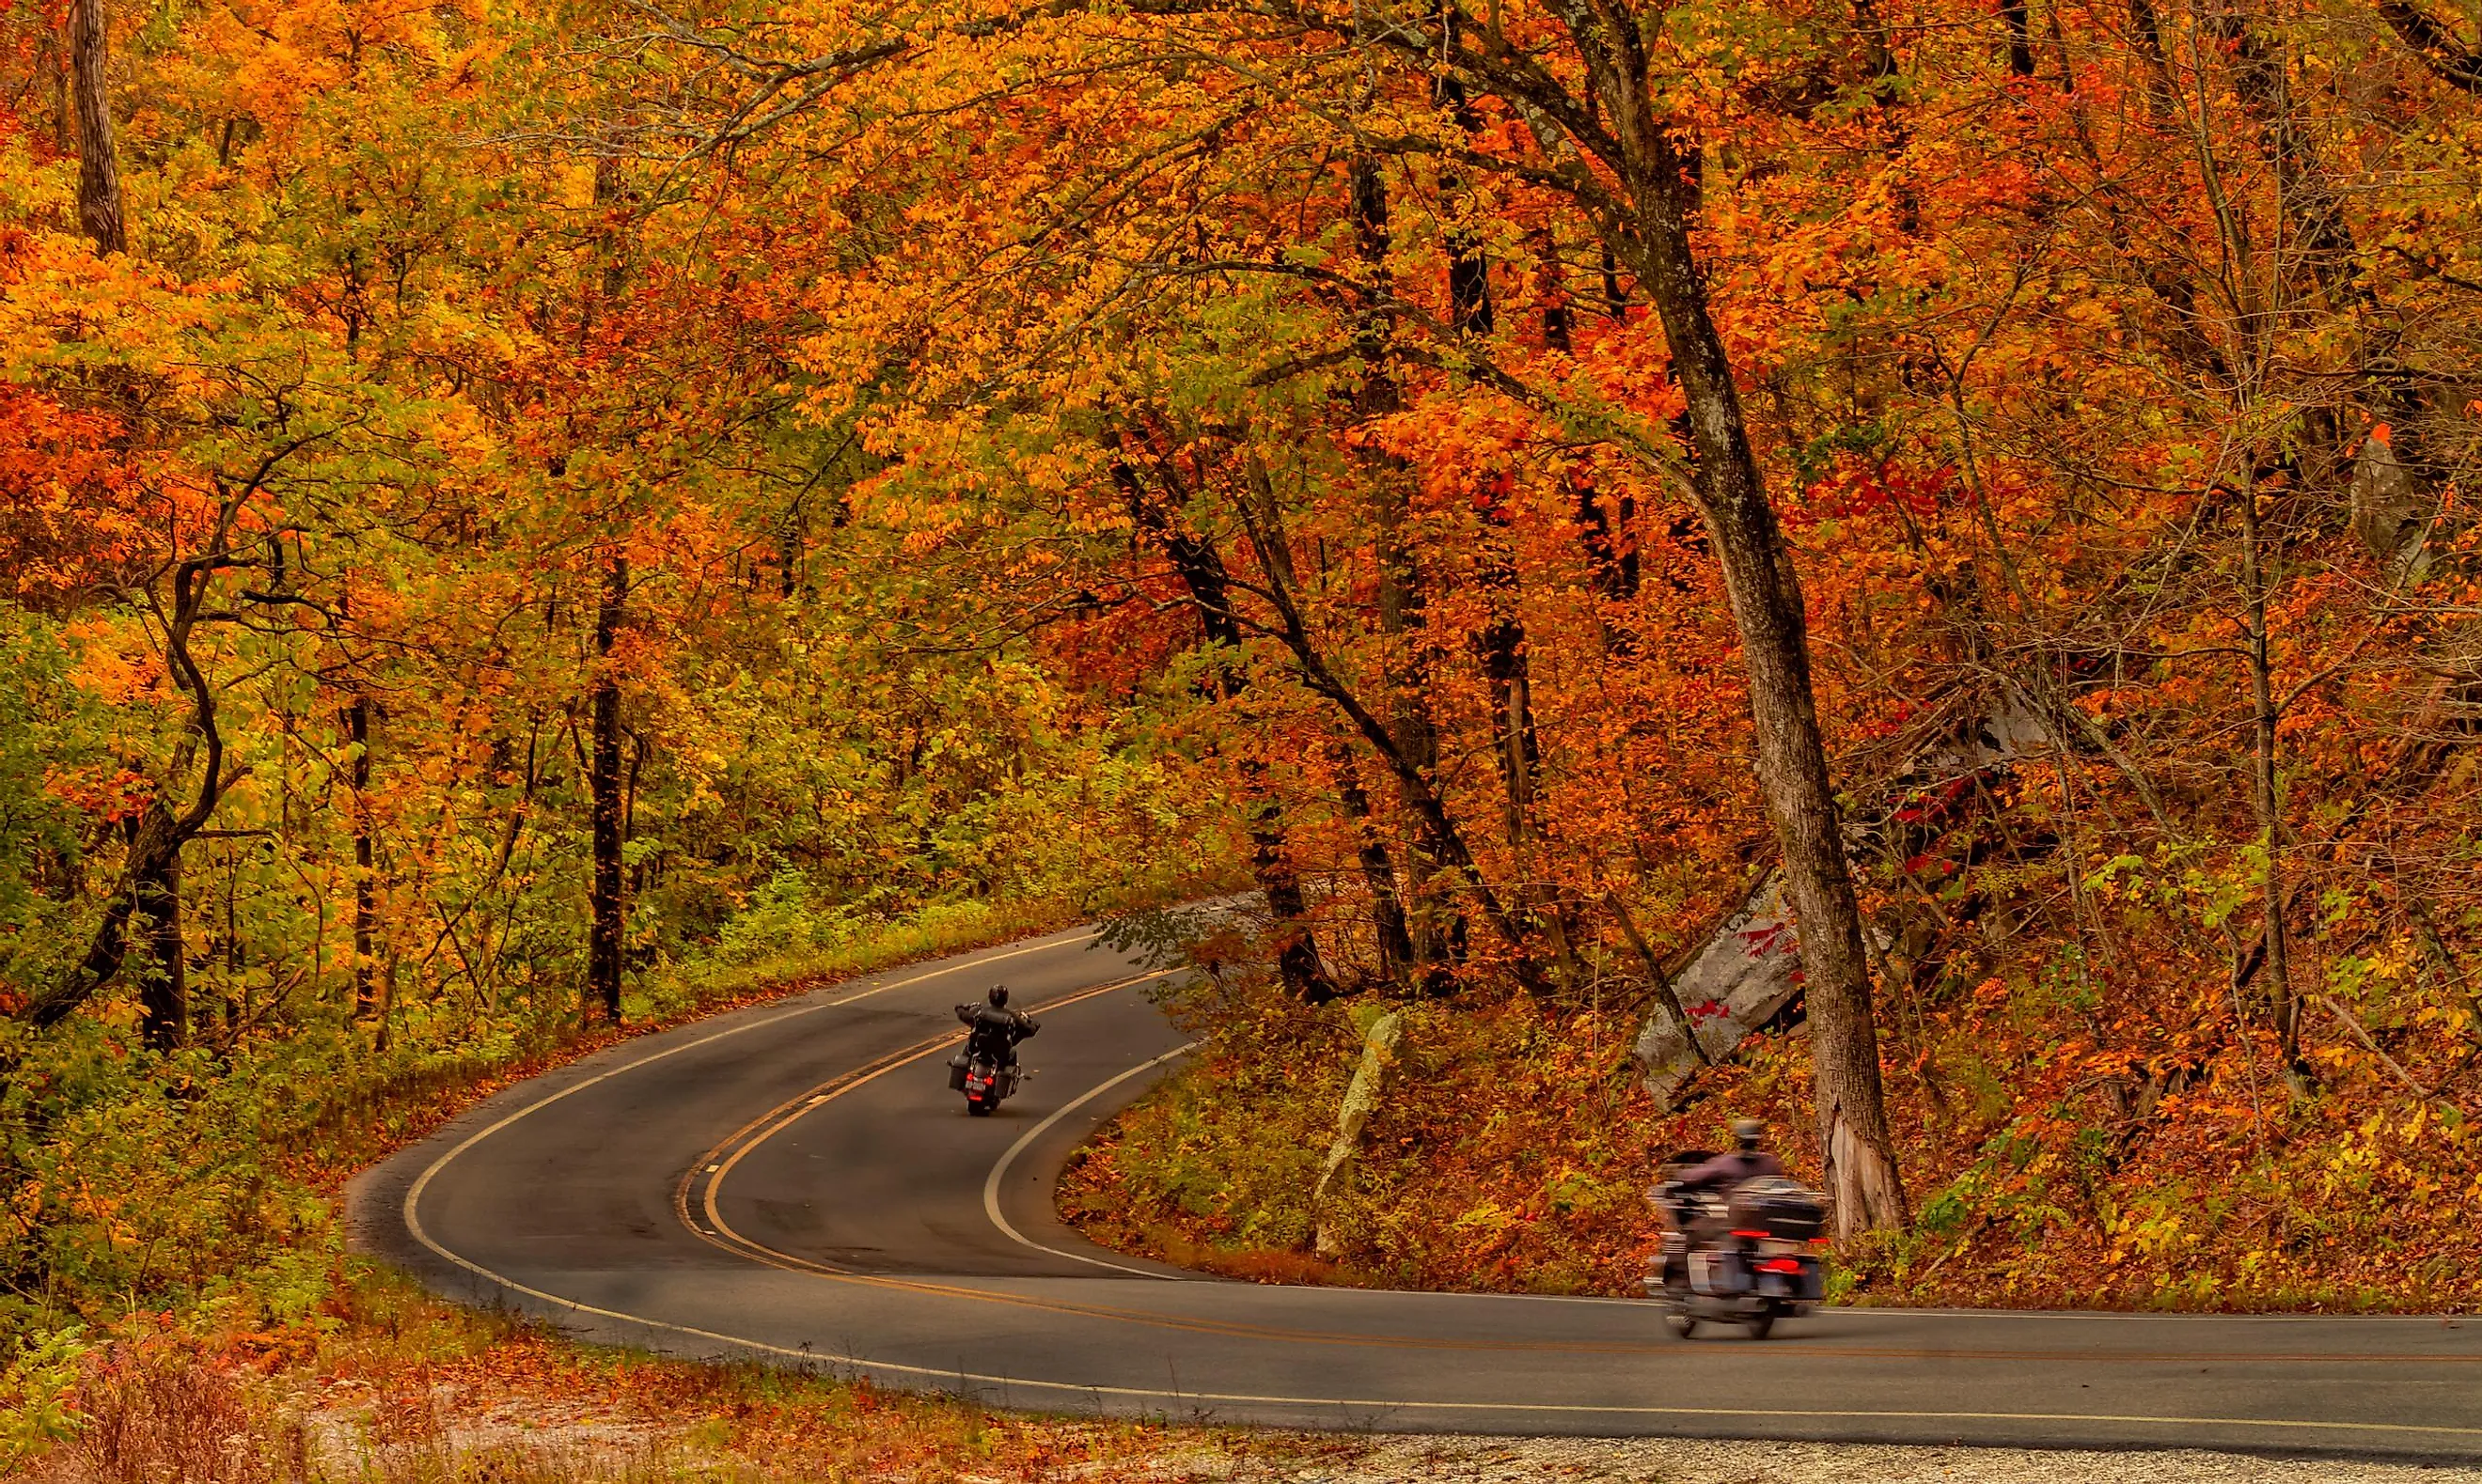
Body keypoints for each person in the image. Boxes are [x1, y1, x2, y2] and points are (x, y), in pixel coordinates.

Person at [1665, 1119, 1783, 1248]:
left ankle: (1696, 1265)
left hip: (1735, 1224)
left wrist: (1678, 1178)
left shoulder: (1727, 1163)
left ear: (1738, 1139)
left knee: (1692, 1235)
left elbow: (1693, 1177)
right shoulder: (1770, 1163)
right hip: (1769, 1225)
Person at [956, 985, 1039, 1070]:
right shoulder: (1011, 1016)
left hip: (977, 1048)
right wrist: (1035, 1025)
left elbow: (964, 1016)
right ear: (1006, 999)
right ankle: (1004, 1074)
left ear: (990, 997)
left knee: (966, 1053)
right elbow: (1029, 1030)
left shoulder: (980, 1012)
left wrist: (960, 1008)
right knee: (1012, 1053)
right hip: (999, 1055)